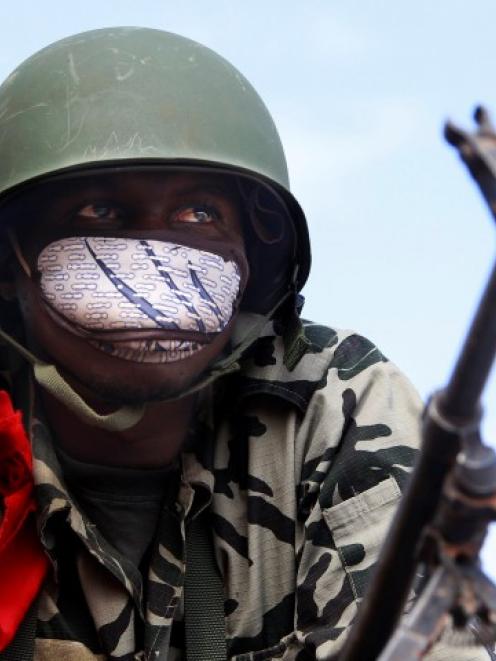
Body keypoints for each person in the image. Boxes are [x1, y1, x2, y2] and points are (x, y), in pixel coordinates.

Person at [0, 26, 483, 661]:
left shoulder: (330, 403)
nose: (156, 264)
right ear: (12, 267)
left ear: (248, 263)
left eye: (199, 215)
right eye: (97, 214)